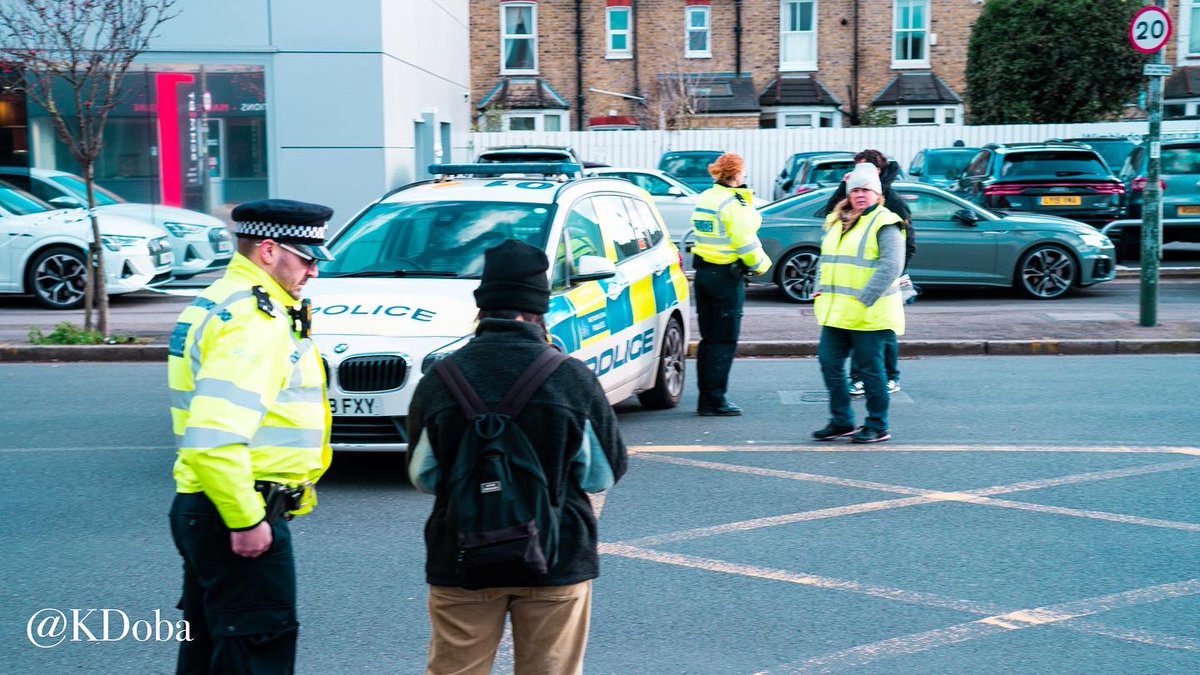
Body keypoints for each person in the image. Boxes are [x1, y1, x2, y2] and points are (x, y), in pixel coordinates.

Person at [406, 239, 628, 675]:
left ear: (482, 307)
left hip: (462, 554)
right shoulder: (571, 379)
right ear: (539, 310)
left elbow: (423, 476)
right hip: (556, 556)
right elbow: (602, 473)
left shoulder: (440, 380)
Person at [167, 199, 336, 673]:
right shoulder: (254, 321)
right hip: (236, 510)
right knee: (256, 655)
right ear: (267, 251)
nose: (313, 272)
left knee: (209, 654)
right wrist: (245, 519)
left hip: (207, 506)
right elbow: (213, 436)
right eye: (307, 258)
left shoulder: (221, 301)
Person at [812, 164, 906, 444]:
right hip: (836, 312)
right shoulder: (838, 220)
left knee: (870, 371)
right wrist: (818, 285)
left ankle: (878, 424)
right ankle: (841, 421)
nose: (860, 194)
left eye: (866, 189)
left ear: (878, 194)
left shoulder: (885, 222)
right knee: (829, 363)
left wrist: (865, 298)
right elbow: (826, 257)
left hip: (869, 313)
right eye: (855, 190)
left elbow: (891, 266)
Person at [821, 149, 914, 396]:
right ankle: (861, 382)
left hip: (880, 287)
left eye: (864, 169)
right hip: (852, 293)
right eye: (856, 171)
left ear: (878, 172)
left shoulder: (889, 202)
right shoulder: (853, 198)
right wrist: (844, 188)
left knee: (883, 335)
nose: (858, 176)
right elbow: (831, 214)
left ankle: (889, 380)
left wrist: (895, 273)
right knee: (863, 342)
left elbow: (905, 241)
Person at [689, 152, 772, 416]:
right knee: (724, 342)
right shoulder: (732, 204)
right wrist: (762, 266)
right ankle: (715, 401)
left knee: (709, 340)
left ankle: (706, 399)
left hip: (704, 273)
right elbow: (746, 242)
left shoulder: (707, 197)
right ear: (736, 174)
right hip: (726, 277)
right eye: (743, 172)